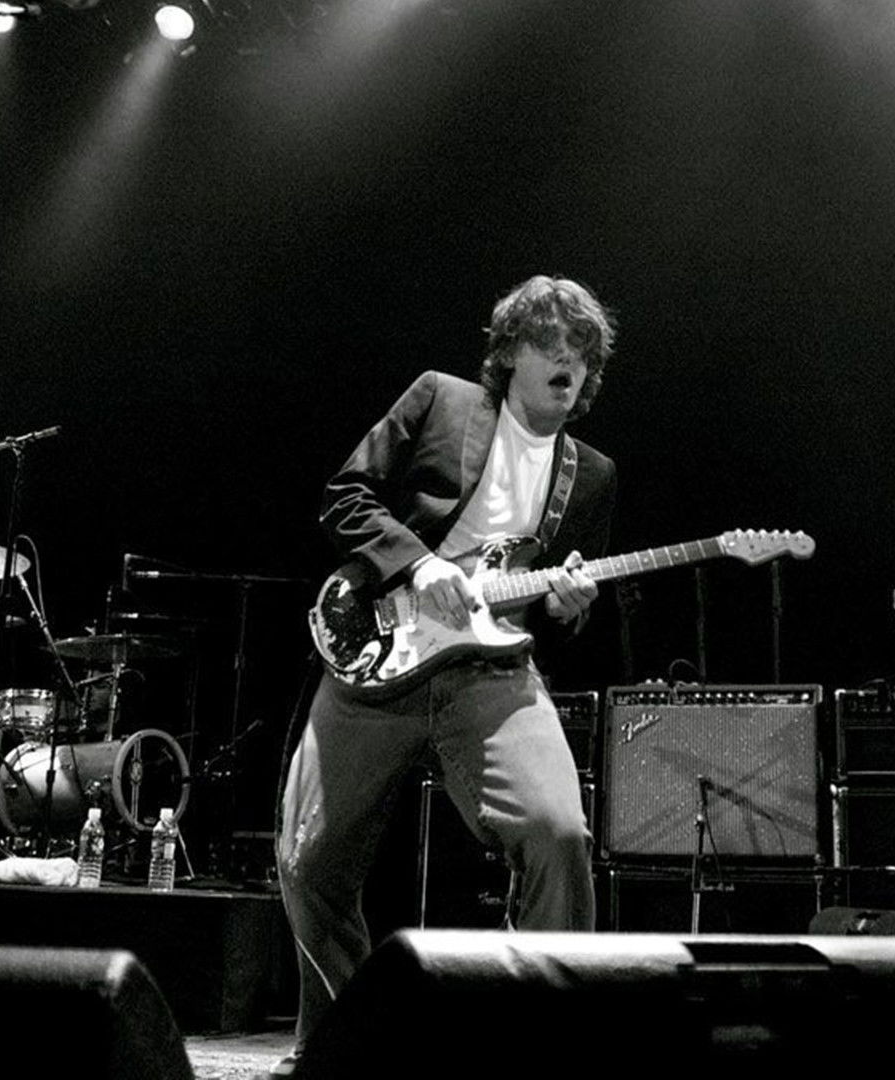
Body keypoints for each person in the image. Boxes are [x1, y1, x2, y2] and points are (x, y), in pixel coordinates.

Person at [274, 275, 617, 1074]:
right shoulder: (442, 400)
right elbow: (343, 496)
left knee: (558, 833)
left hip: (493, 678)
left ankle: (541, 1047)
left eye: (581, 352)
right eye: (548, 345)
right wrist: (418, 564)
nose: (567, 361)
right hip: (379, 656)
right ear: (509, 354)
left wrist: (573, 604)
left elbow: (567, 608)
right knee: (307, 859)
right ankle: (346, 1043)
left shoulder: (592, 474)